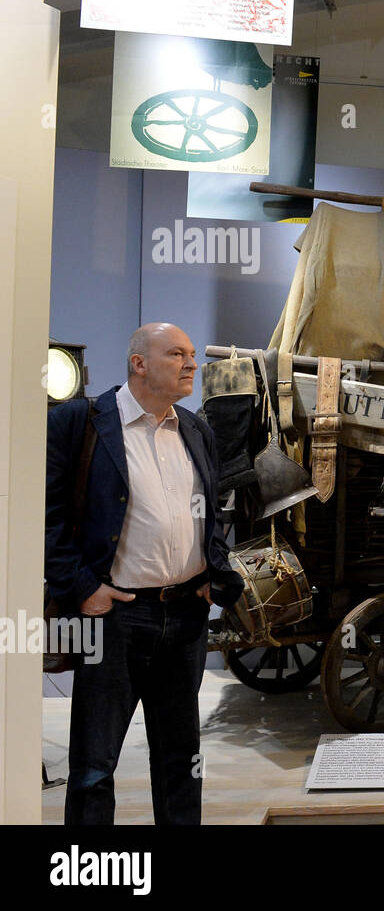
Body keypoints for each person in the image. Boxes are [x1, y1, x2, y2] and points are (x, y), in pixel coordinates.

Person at [45, 323, 245, 825]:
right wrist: (84, 589)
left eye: (192, 354)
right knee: (94, 766)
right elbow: (43, 516)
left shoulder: (196, 428)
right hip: (114, 619)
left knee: (181, 759)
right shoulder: (81, 421)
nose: (191, 364)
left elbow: (213, 510)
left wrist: (212, 572)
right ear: (139, 363)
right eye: (176, 354)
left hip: (184, 616)